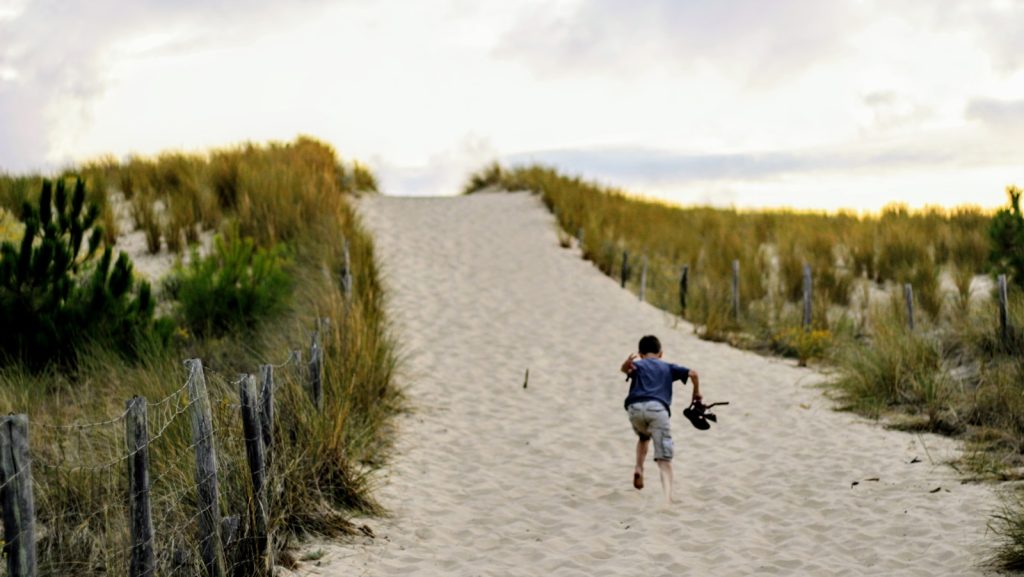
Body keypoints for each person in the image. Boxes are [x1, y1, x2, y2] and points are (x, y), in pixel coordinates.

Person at [620, 334, 700, 504]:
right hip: (657, 409)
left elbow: (625, 369)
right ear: (661, 353)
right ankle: (667, 499)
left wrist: (625, 365)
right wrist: (696, 393)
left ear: (640, 354)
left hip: (634, 409)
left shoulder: (638, 365)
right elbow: (693, 373)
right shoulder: (668, 367)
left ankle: (639, 468)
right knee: (664, 459)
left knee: (643, 437)